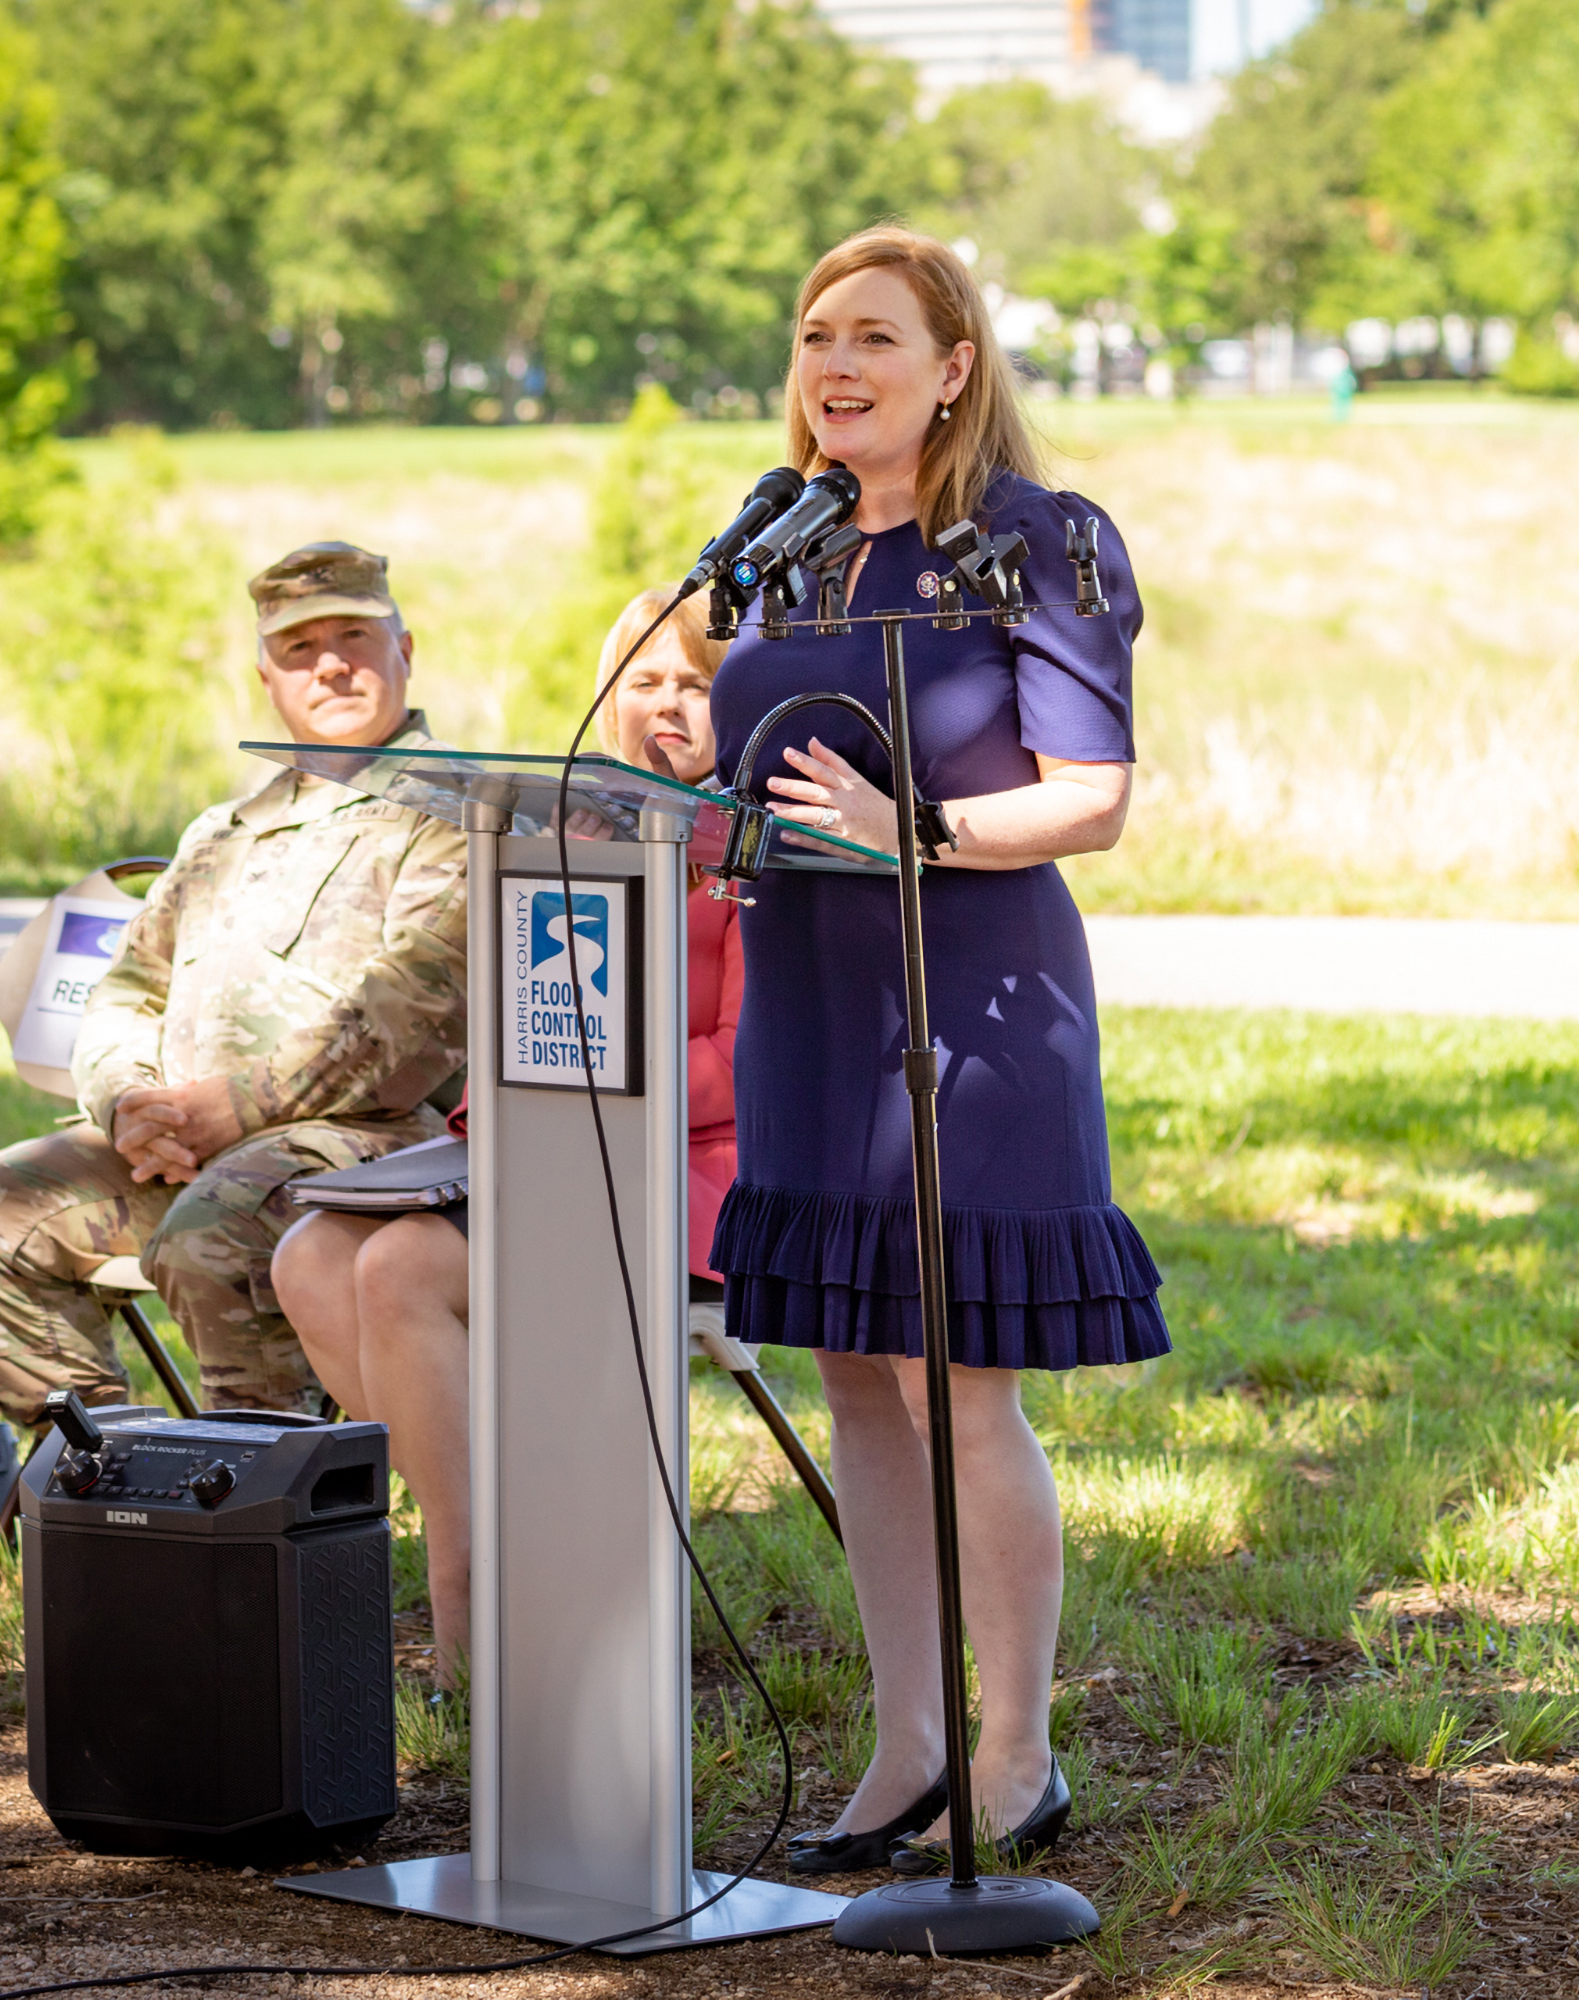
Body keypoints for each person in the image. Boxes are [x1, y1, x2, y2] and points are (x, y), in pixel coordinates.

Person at [705, 226, 1169, 1876]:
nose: (835, 366)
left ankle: (1015, 1753)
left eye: (876, 339)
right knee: (857, 1379)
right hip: (807, 1007)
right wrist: (668, 740)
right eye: (816, 334)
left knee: (954, 1383)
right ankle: (905, 1748)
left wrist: (915, 826)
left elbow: (1092, 796)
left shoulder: (1040, 542)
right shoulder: (778, 543)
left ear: (956, 365)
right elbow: (744, 743)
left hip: (970, 1001)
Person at [272, 587, 741, 1685]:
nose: (664, 706)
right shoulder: (559, 827)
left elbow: (748, 1064)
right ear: (604, 701)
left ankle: (466, 1593)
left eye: (694, 683)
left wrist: (592, 1093)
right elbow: (519, 1029)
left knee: (400, 1267)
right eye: (641, 683)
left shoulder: (756, 846)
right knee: (309, 1254)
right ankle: (516, 1535)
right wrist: (506, 1120)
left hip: (692, 1161)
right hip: (547, 1141)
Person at [0, 543, 469, 1426]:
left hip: (364, 1146)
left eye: (354, 635)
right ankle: (102, 1483)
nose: (331, 663)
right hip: (185, 1146)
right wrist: (128, 1105)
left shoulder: (453, 811)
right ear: (266, 675)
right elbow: (125, 991)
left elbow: (406, 1017)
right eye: (299, 648)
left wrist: (234, 1109)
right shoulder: (224, 830)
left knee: (212, 1236)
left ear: (405, 650)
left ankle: (270, 1516)